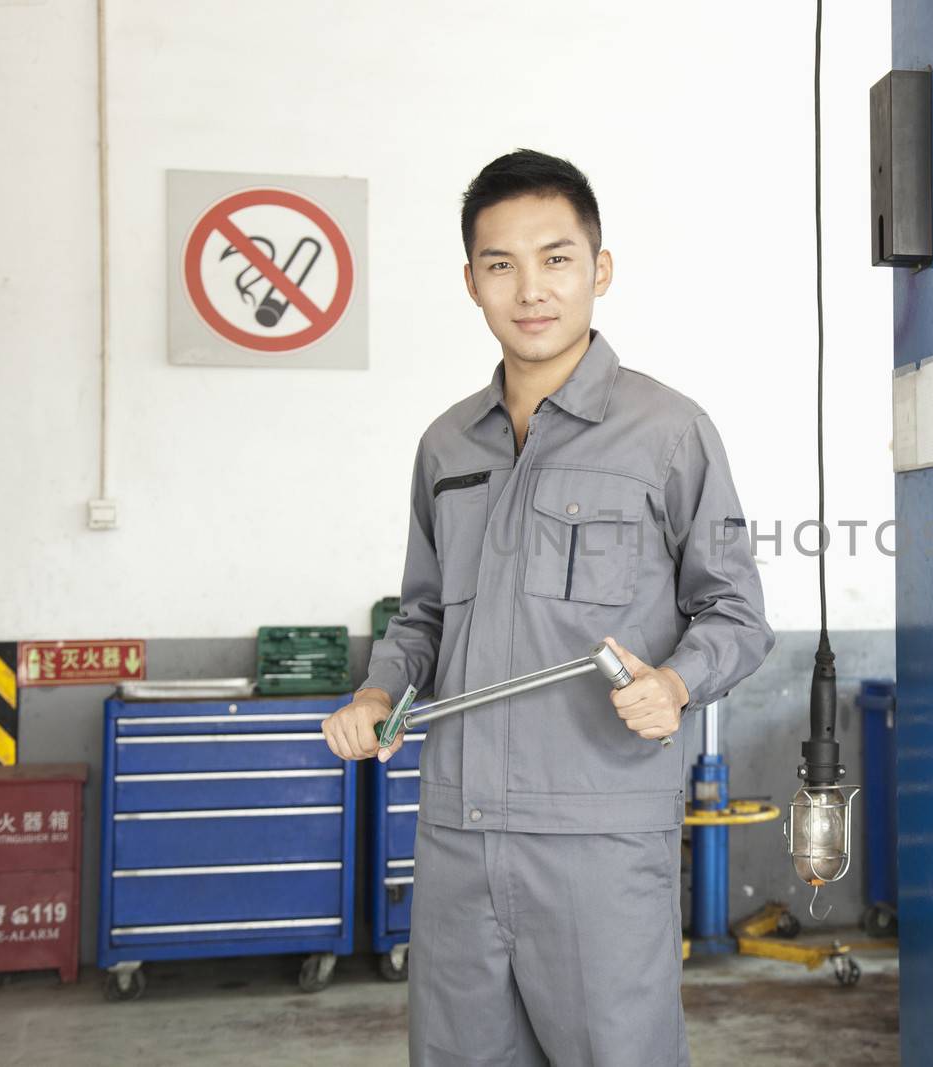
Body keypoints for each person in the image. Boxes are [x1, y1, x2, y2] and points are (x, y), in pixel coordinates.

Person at [321, 149, 774, 1067]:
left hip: (598, 833)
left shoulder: (668, 432)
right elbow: (420, 618)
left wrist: (678, 684)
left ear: (599, 270)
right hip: (456, 830)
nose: (531, 288)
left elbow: (737, 612)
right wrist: (378, 694)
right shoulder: (446, 443)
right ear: (471, 282)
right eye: (502, 264)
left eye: (557, 258)